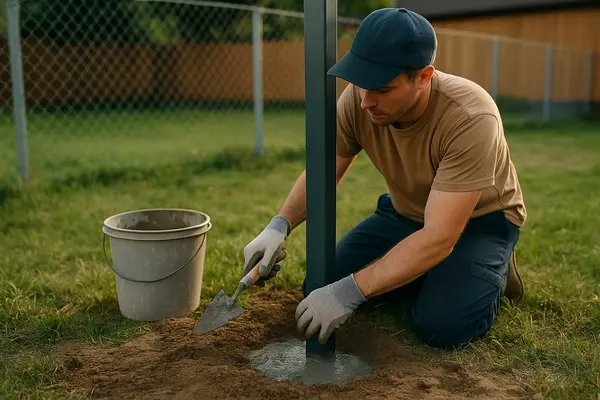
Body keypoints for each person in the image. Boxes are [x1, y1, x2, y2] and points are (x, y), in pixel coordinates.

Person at [241, 7, 527, 349]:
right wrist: (279, 225)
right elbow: (324, 171)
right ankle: (424, 269)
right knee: (317, 286)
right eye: (360, 83)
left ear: (423, 77)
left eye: (383, 88)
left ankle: (494, 272)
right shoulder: (359, 99)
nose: (366, 102)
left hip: (480, 223)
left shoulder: (470, 116)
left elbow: (439, 236)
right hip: (405, 214)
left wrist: (350, 291)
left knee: (442, 326)